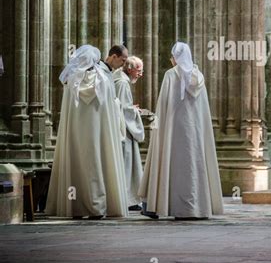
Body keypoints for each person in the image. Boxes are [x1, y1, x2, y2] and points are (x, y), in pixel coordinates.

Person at [138, 42, 223, 219]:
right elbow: (202, 111)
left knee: (174, 163)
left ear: (175, 58)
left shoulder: (170, 75)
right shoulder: (199, 76)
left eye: (172, 57)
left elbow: (163, 105)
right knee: (194, 163)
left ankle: (175, 207)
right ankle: (197, 208)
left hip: (174, 132)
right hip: (195, 132)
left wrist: (159, 128)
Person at [45, 45, 128, 219]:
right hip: (98, 135)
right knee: (97, 163)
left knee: (76, 167)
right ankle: (97, 206)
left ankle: (74, 205)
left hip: (75, 137)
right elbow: (111, 106)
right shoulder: (102, 79)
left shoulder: (70, 81)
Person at [113, 56, 145, 211]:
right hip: (124, 131)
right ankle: (127, 200)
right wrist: (135, 112)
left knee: (127, 165)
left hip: (121, 129)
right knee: (126, 165)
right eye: (139, 70)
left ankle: (128, 199)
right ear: (130, 69)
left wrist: (131, 109)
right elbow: (125, 111)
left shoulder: (118, 79)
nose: (141, 74)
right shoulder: (123, 83)